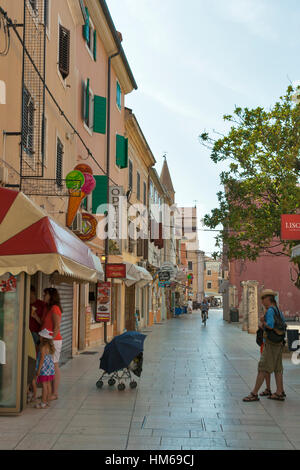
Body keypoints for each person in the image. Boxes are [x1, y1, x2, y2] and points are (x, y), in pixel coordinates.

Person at [243, 289, 286, 402]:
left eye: (263, 299)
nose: (262, 301)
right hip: (278, 343)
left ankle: (254, 393)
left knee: (262, 367)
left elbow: (270, 326)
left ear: (268, 299)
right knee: (277, 368)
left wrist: (263, 323)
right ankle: (279, 392)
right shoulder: (278, 310)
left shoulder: (270, 310)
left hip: (271, 343)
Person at [41, 288, 62, 401]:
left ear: (51, 296)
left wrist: (51, 341)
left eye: (46, 294)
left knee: (54, 364)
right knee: (48, 365)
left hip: (54, 340)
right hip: (46, 339)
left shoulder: (55, 308)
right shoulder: (47, 308)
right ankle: (47, 392)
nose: (44, 295)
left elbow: (57, 327)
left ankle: (54, 393)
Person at [34, 328, 55, 409]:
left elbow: (42, 359)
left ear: (42, 338)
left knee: (44, 386)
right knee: (49, 385)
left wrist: (38, 370)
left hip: (44, 369)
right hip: (50, 369)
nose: (39, 337)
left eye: (40, 336)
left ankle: (43, 402)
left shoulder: (43, 347)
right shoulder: (50, 347)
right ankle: (47, 402)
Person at [29, 286, 46, 350]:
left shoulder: (41, 304)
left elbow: (44, 323)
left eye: (30, 294)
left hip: (37, 334)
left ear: (34, 293)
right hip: (26, 333)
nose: (29, 297)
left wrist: (36, 317)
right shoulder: (24, 303)